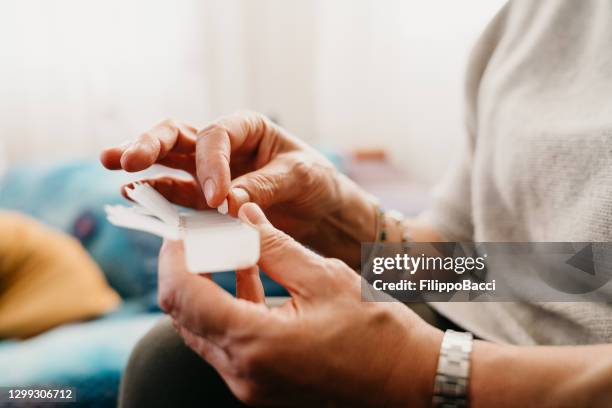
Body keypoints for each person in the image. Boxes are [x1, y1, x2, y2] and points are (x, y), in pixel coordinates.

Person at [101, 1, 612, 406]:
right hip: (481, 331)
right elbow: (497, 269)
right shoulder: (534, 16)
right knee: (174, 366)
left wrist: (413, 370)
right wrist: (342, 218)